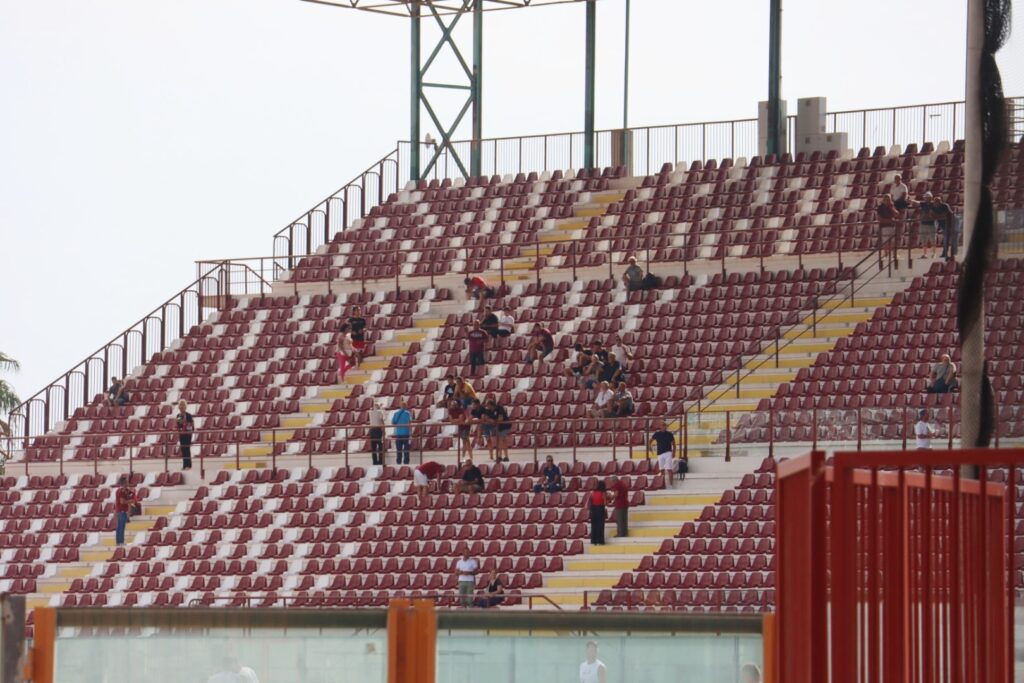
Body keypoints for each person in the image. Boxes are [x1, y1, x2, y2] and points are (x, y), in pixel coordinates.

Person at [909, 191, 938, 259]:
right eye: (926, 197)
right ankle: (925, 253)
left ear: (931, 198)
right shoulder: (923, 204)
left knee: (933, 239)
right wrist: (911, 200)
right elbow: (917, 203)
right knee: (924, 239)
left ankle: (934, 253)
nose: (926, 199)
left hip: (931, 223)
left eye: (928, 197)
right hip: (923, 223)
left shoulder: (933, 204)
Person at [650, 421, 678, 486]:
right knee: (661, 469)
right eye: (663, 425)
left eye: (665, 425)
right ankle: (662, 484)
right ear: (660, 426)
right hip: (660, 453)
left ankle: (671, 485)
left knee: (669, 469)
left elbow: (674, 444)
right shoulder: (657, 434)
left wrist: (674, 452)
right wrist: (650, 447)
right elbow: (650, 441)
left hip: (668, 452)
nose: (664, 426)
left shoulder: (669, 434)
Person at [113, 474, 137, 546]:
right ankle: (121, 542)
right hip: (122, 511)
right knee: (121, 527)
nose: (128, 483)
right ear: (124, 483)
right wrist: (130, 501)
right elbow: (122, 501)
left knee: (119, 527)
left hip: (119, 510)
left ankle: (118, 542)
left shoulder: (119, 490)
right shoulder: (122, 491)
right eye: (126, 482)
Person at [932, 195, 958, 260]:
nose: (937, 203)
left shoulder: (945, 206)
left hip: (950, 224)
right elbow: (933, 216)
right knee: (946, 240)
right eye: (936, 202)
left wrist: (938, 216)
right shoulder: (934, 207)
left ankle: (952, 253)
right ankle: (945, 253)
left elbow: (947, 214)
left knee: (951, 239)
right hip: (943, 225)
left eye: (938, 201)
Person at [877, 193, 901, 261]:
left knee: (893, 241)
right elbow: (879, 218)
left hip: (892, 226)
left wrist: (891, 207)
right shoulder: (880, 207)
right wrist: (890, 220)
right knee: (885, 242)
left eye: (888, 198)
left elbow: (896, 214)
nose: (887, 200)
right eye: (886, 198)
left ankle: (894, 254)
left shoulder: (892, 206)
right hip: (884, 227)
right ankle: (886, 254)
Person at [449, 398, 473, 462]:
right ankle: (470, 456)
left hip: (465, 426)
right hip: (460, 427)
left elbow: (461, 419)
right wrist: (456, 420)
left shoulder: (460, 410)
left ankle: (464, 457)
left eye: (454, 405)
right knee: (466, 441)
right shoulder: (450, 410)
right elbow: (451, 420)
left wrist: (455, 420)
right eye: (452, 405)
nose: (453, 406)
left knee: (465, 442)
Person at [391, 398, 412, 465]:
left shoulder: (396, 413)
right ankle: (406, 462)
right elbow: (410, 423)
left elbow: (393, 422)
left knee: (399, 449)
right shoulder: (408, 413)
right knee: (406, 449)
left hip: (399, 433)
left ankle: (398, 462)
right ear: (406, 406)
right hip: (406, 433)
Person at [175, 400, 194, 470]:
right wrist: (181, 426)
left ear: (185, 407)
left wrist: (187, 426)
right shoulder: (179, 416)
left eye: (183, 405)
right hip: (182, 435)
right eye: (180, 405)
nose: (181, 407)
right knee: (183, 450)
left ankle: (189, 465)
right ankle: (184, 465)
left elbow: (192, 425)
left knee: (187, 449)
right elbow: (179, 425)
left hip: (188, 435)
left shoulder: (188, 415)